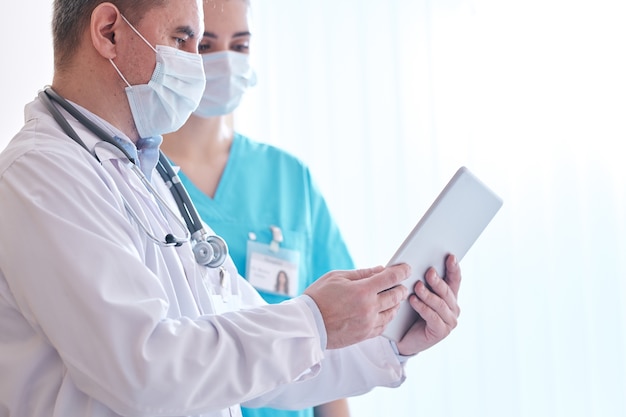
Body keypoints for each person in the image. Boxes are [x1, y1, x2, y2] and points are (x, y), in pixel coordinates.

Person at [0, 1, 462, 417]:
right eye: (183, 40)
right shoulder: (41, 175)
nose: (198, 67)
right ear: (108, 32)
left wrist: (392, 339)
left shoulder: (147, 174)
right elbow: (140, 369)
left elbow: (256, 355)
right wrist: (312, 320)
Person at [161, 2, 355, 415]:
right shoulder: (142, 180)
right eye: (205, 44)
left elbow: (333, 340)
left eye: (241, 45)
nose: (226, 61)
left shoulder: (289, 178)